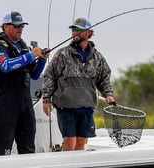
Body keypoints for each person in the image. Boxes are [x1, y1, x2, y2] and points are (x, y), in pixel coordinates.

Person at [42, 17, 115, 151]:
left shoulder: (97, 57)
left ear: (88, 33)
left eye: (79, 30)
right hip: (66, 107)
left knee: (81, 142)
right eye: (73, 30)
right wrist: (46, 99)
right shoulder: (63, 54)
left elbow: (104, 78)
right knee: (70, 141)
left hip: (86, 107)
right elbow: (49, 76)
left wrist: (108, 95)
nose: (75, 32)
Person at [0, 11, 49, 156]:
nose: (20, 28)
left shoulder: (22, 46)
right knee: (5, 145)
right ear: (5, 27)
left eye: (22, 25)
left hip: (25, 102)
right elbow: (6, 66)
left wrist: (42, 59)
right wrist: (30, 56)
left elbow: (34, 75)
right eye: (16, 25)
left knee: (28, 146)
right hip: (5, 102)